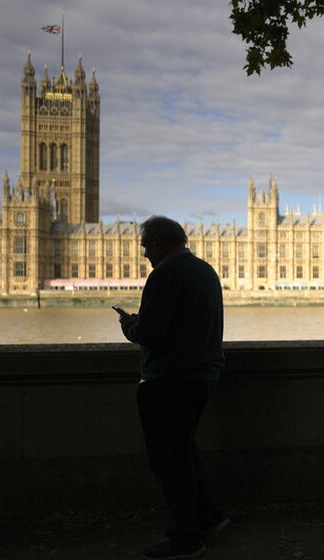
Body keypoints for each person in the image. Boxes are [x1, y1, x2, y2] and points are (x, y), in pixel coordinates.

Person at [118, 216, 228, 560]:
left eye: (146, 246)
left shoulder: (164, 275)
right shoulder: (206, 271)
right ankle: (212, 515)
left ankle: (186, 539)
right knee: (184, 450)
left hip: (170, 380)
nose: (144, 254)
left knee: (169, 462)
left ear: (160, 244)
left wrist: (129, 325)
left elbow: (151, 332)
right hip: (203, 376)